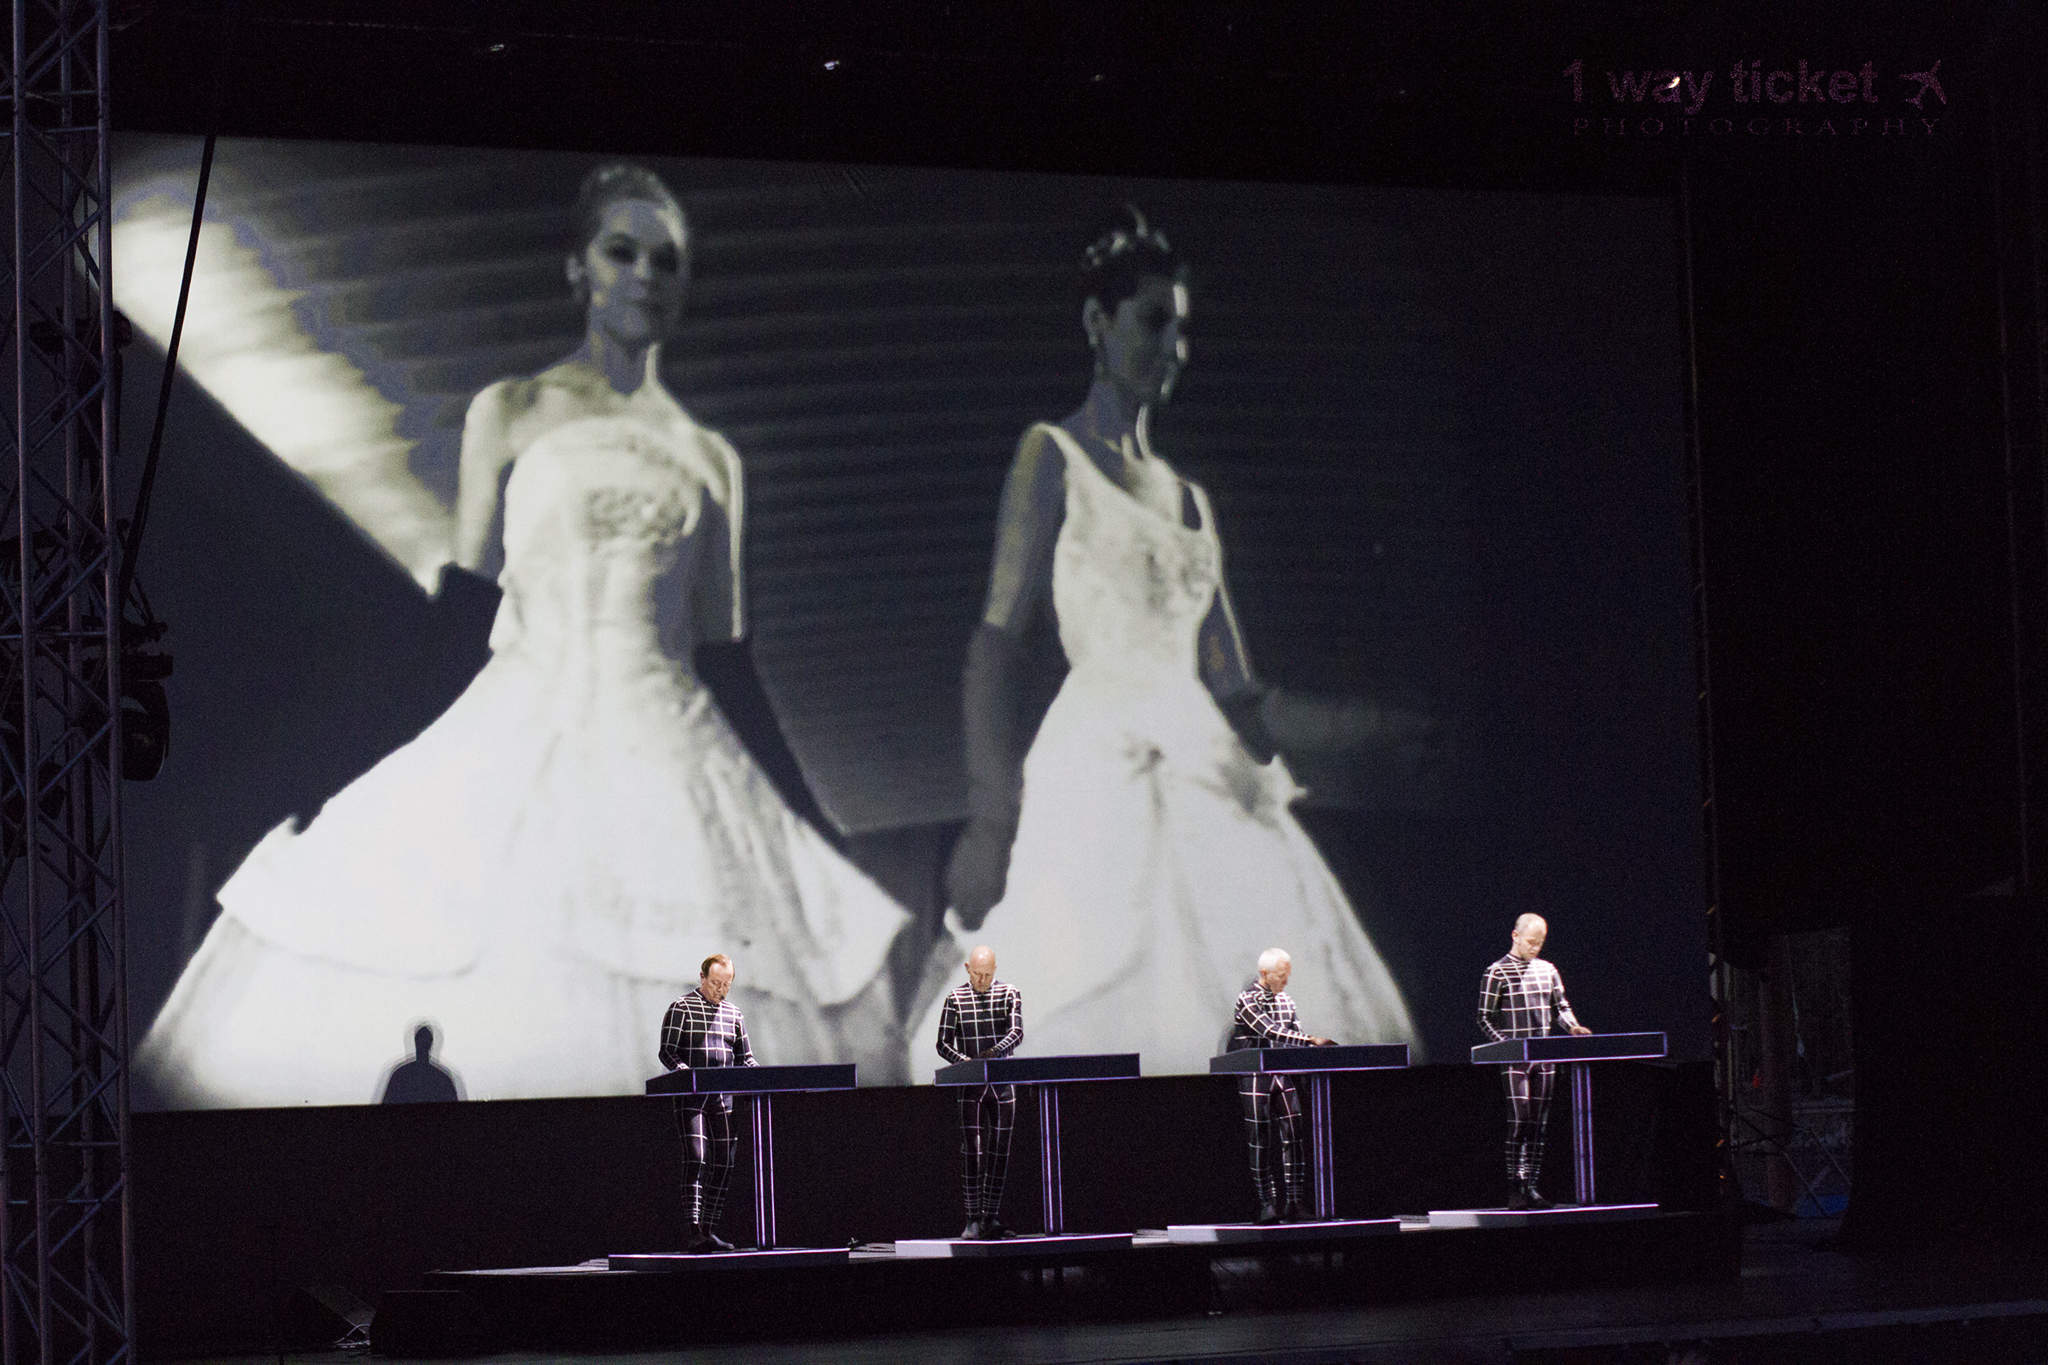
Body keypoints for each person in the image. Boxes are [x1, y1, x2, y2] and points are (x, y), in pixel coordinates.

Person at [138, 163, 911, 1107]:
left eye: (668, 261)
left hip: (674, 754)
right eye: (622, 252)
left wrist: (819, 826)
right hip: (528, 720)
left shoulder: (713, 459)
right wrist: (345, 767)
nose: (646, 275)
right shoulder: (509, 410)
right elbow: (462, 618)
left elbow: (727, 662)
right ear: (578, 269)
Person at [919, 205, 1418, 1078]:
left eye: (1185, 331)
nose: (1175, 349)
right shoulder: (1051, 455)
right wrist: (992, 816)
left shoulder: (1191, 503)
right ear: (1096, 321)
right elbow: (997, 640)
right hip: (1097, 758)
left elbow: (1240, 699)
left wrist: (1372, 727)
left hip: (1205, 766)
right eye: (1155, 322)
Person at [1477, 913, 1592, 1209]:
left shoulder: (1547, 970)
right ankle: (1516, 1186)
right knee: (1520, 1121)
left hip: (1544, 1058)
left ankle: (1532, 1187)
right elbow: (1484, 1017)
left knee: (1539, 1124)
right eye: (1531, 941)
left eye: (1540, 943)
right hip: (1515, 1060)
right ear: (1515, 936)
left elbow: (1560, 1007)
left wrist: (1573, 1027)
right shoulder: (1496, 972)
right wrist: (1507, 1046)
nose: (1535, 947)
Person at [1226, 948, 1336, 1222]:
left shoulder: (1286, 1001)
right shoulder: (1246, 1000)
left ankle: (1294, 1203)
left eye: (1288, 975)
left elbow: (1294, 1034)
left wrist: (1310, 1058)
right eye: (1281, 975)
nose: (1286, 980)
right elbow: (1268, 1030)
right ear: (1265, 973)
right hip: (1255, 1076)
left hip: (1283, 1075)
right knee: (1260, 1140)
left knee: (1294, 1136)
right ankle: (1268, 1204)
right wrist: (1310, 1040)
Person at [659, 954, 758, 1252]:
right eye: (715, 983)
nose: (721, 990)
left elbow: (745, 1058)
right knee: (697, 1158)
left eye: (726, 984)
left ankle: (708, 1230)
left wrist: (760, 1075)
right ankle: (693, 1231)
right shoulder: (681, 1008)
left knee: (725, 1162)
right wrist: (683, 1072)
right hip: (692, 1096)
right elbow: (667, 1051)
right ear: (702, 978)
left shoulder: (734, 1014)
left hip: (724, 1097)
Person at [935, 946, 1022, 1239]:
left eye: (986, 974)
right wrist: (966, 1064)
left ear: (994, 970)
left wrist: (995, 1052)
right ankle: (972, 1218)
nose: (981, 980)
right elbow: (942, 1042)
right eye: (976, 974)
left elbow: (1017, 1032)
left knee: (1000, 1149)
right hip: (970, 1085)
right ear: (967, 969)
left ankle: (990, 1215)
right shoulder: (955, 999)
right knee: (972, 1149)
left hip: (1002, 1083)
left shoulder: (1009, 994)